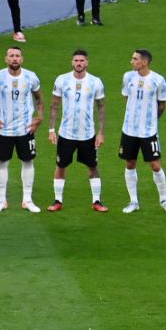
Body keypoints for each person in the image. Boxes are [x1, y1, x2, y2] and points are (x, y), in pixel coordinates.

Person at [0, 46, 43, 213]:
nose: (14, 59)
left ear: (22, 59)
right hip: (4, 130)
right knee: (2, 162)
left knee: (28, 161)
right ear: (6, 59)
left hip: (26, 129)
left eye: (17, 56)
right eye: (11, 56)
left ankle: (27, 199)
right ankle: (2, 200)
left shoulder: (31, 77)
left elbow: (39, 98)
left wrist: (39, 118)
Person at [49, 49, 107, 213]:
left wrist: (101, 132)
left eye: (82, 61)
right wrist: (51, 129)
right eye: (76, 60)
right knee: (61, 165)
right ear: (72, 62)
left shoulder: (95, 82)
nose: (79, 63)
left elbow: (101, 107)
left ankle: (96, 201)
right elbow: (54, 105)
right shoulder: (62, 80)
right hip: (66, 133)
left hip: (87, 134)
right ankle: (58, 200)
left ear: (87, 62)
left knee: (93, 166)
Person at [118, 48, 166, 216]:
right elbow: (126, 98)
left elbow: (162, 104)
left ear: (144, 62)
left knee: (155, 165)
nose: (132, 61)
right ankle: (133, 201)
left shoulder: (158, 80)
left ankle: (164, 200)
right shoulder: (128, 77)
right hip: (129, 130)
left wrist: (151, 121)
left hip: (149, 132)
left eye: (135, 59)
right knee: (130, 163)